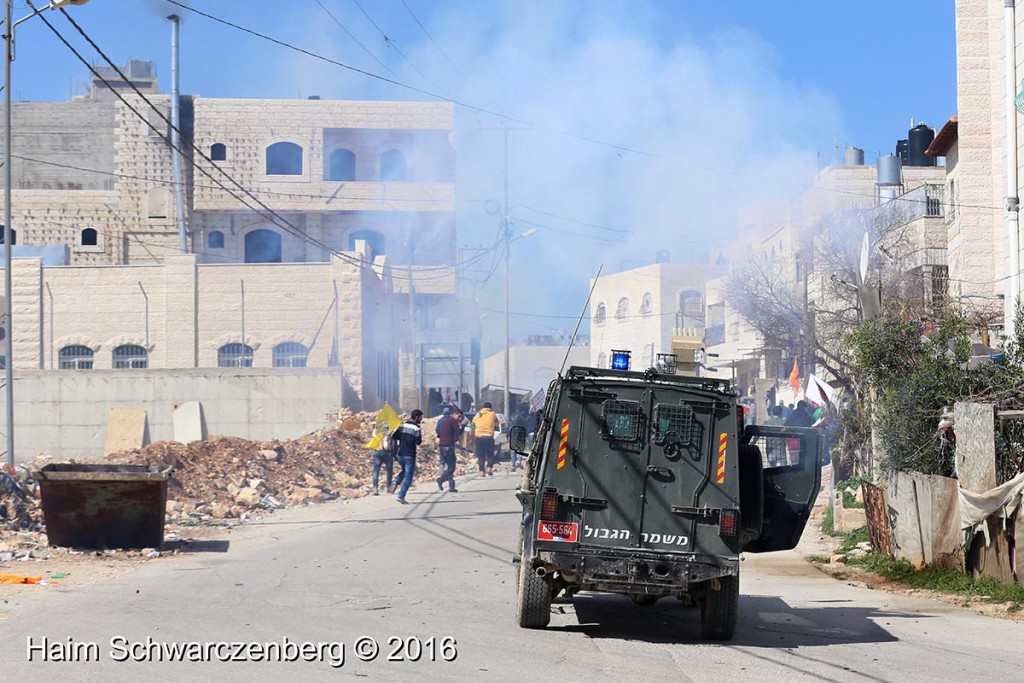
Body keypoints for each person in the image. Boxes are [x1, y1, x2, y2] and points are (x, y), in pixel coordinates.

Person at [389, 409, 423, 504]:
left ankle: (396, 481)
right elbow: (418, 442)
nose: (421, 419)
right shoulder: (417, 428)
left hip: (400, 454)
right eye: (420, 417)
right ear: (416, 417)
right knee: (408, 477)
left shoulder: (402, 425)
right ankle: (401, 496)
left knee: (405, 471)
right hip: (410, 455)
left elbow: (394, 437)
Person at [435, 406, 464, 493]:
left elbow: (439, 433)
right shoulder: (453, 421)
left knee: (448, 466)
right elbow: (458, 432)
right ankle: (441, 479)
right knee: (451, 467)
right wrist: (463, 425)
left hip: (442, 446)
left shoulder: (443, 421)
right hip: (448, 447)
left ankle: (451, 486)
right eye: (459, 416)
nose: (459, 418)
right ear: (454, 414)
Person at [473, 402, 500, 476]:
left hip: (478, 437)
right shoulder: (492, 414)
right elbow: (497, 423)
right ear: (490, 408)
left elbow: (473, 424)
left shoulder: (478, 414)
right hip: (489, 436)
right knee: (490, 454)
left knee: (481, 455)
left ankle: (482, 471)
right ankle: (489, 468)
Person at [370, 431, 394, 495]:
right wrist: (394, 454)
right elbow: (393, 442)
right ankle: (388, 487)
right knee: (389, 470)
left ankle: (375, 488)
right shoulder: (389, 431)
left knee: (376, 471)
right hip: (387, 452)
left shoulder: (375, 432)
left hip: (377, 452)